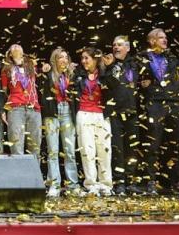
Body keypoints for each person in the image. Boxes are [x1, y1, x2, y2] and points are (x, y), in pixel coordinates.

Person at [138, 28, 179, 194]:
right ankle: (151, 181)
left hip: (175, 103)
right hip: (155, 103)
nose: (165, 41)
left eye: (165, 38)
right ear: (152, 41)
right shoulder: (141, 58)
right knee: (153, 144)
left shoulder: (172, 57)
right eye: (161, 38)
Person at [101, 35, 141, 195]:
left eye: (119, 45)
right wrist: (110, 67)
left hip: (132, 111)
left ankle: (131, 181)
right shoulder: (107, 66)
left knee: (132, 148)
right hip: (115, 113)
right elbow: (109, 83)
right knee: (117, 148)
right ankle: (119, 182)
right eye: (114, 45)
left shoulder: (134, 64)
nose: (116, 48)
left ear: (128, 48)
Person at [38, 48, 79, 197]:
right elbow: (38, 82)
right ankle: (54, 184)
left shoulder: (73, 75)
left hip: (68, 113)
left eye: (65, 57)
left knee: (69, 151)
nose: (63, 60)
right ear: (54, 60)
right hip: (51, 115)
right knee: (53, 151)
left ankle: (73, 185)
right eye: (60, 57)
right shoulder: (48, 74)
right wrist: (43, 71)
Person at [74, 48, 112, 196]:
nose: (84, 61)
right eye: (82, 58)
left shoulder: (104, 74)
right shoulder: (79, 75)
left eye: (86, 58)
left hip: (101, 114)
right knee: (87, 150)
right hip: (83, 113)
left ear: (95, 59)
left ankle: (106, 183)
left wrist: (108, 67)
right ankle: (91, 184)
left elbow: (113, 86)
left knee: (104, 150)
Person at [2, 44, 42, 161]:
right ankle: (18, 178)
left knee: (35, 146)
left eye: (19, 46)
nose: (17, 47)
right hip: (15, 109)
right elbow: (4, 91)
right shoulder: (6, 69)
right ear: (9, 53)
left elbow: (42, 72)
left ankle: (35, 178)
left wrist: (46, 67)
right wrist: (4, 109)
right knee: (16, 145)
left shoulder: (31, 66)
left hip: (34, 108)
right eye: (13, 47)